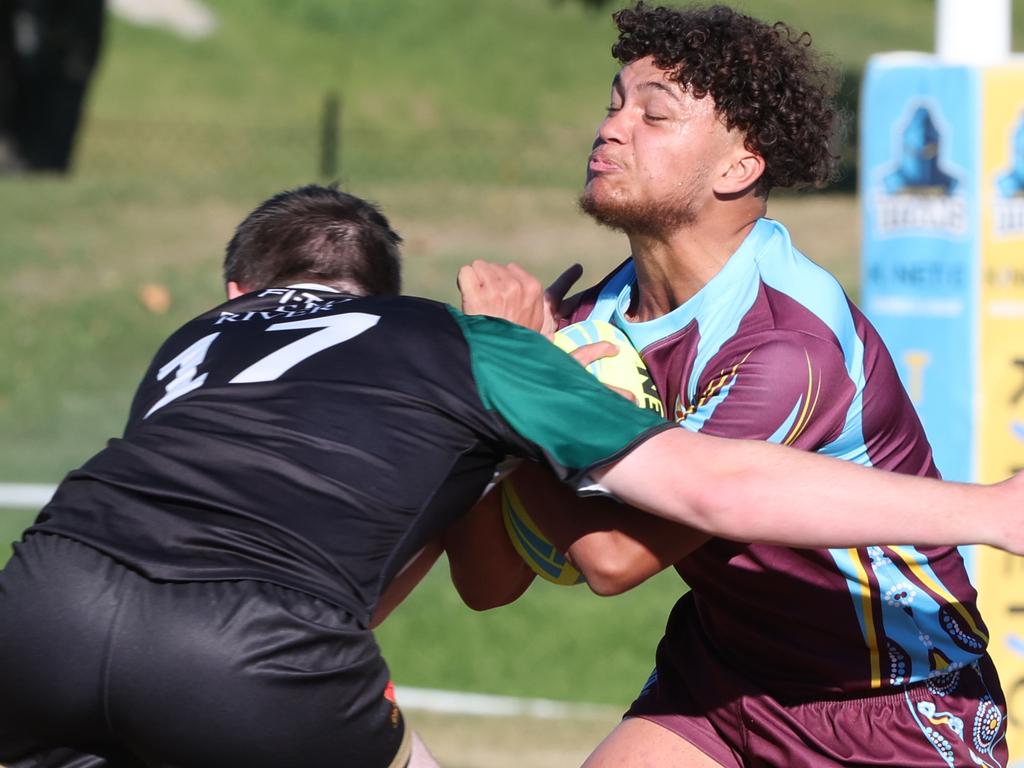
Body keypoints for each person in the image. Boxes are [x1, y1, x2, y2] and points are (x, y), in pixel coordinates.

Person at [0, 186, 1019, 768]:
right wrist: (986, 511)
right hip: (248, 651)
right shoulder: (463, 342)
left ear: (243, 291)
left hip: (40, 604)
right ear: (383, 297)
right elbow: (717, 492)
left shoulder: (198, 340)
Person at [457, 4, 1012, 767]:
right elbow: (485, 584)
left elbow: (615, 559)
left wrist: (519, 376)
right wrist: (505, 395)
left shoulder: (786, 349)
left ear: (739, 166)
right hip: (723, 670)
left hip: (889, 705)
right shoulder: (592, 324)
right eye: (615, 103)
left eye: (656, 114)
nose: (615, 127)